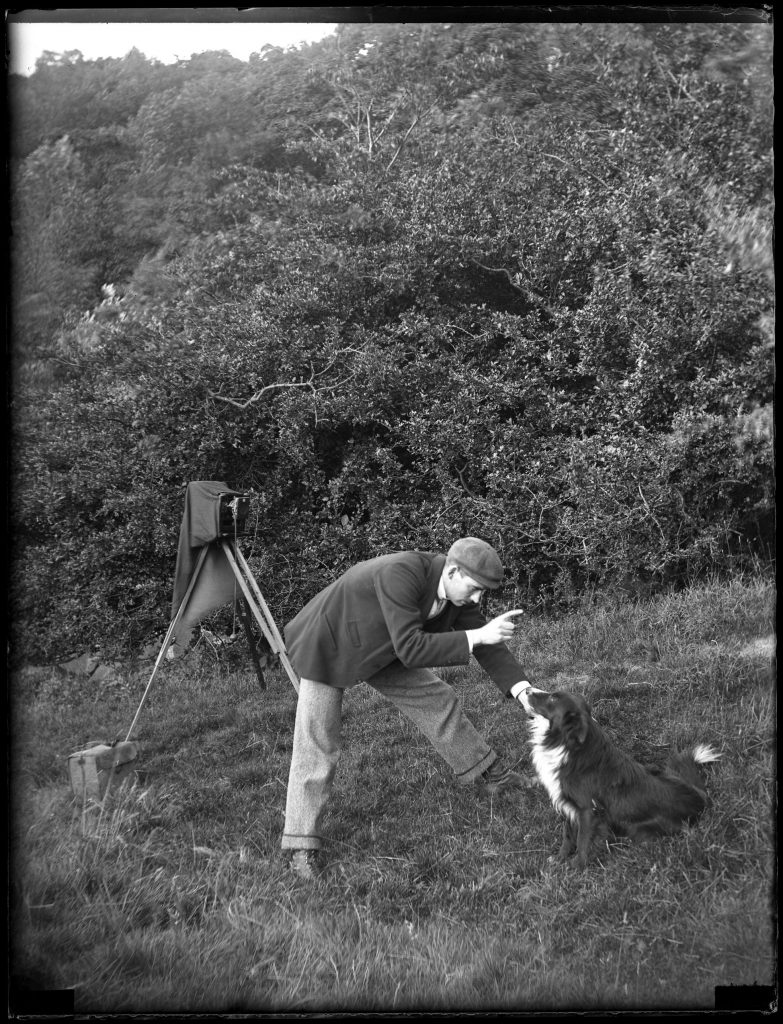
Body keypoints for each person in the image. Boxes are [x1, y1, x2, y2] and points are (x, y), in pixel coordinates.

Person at [281, 537, 537, 879]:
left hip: (386, 645)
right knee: (317, 743)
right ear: (453, 570)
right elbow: (419, 648)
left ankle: (492, 776)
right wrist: (477, 637)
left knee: (438, 698)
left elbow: (487, 644)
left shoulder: (457, 593)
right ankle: (301, 845)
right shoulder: (402, 572)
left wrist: (524, 692)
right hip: (328, 641)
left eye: (483, 593)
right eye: (475, 589)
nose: (477, 599)